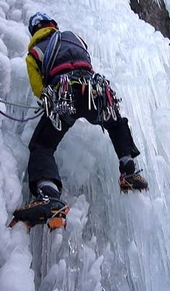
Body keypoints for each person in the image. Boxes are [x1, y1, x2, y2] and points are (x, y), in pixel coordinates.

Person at [10, 12, 148, 230]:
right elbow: (86, 61)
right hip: (95, 93)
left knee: (42, 146)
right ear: (53, 25)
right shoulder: (75, 37)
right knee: (114, 122)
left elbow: (40, 90)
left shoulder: (34, 52)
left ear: (34, 31)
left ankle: (49, 195)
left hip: (66, 96)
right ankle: (128, 168)